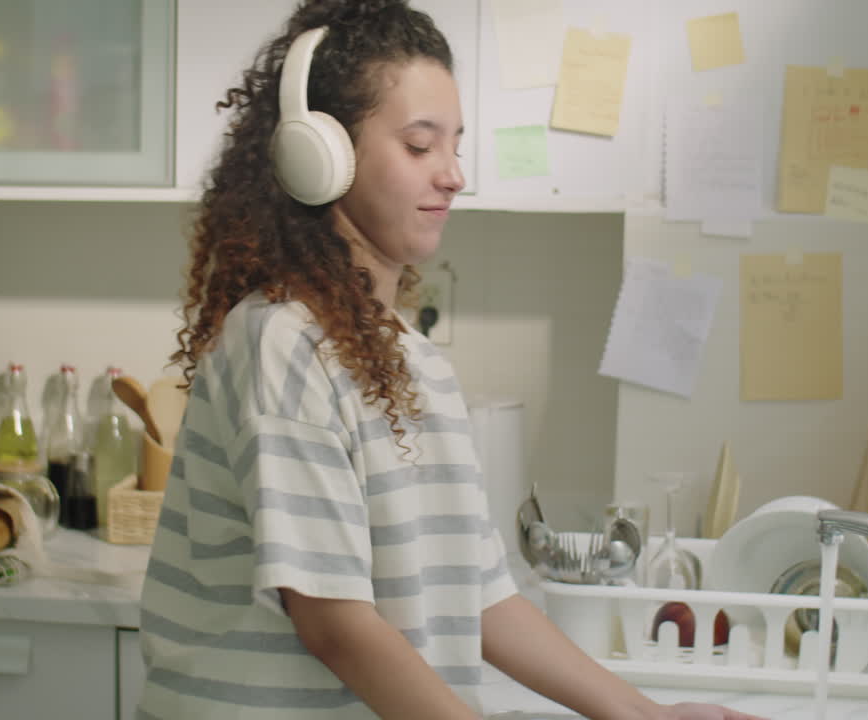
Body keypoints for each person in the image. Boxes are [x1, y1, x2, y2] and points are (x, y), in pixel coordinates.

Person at [138, 2, 768, 718]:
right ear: (322, 154)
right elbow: (333, 624)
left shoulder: (415, 361)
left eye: (455, 145)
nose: (452, 175)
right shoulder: (283, 342)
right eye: (419, 146)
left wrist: (648, 716)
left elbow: (482, 592)